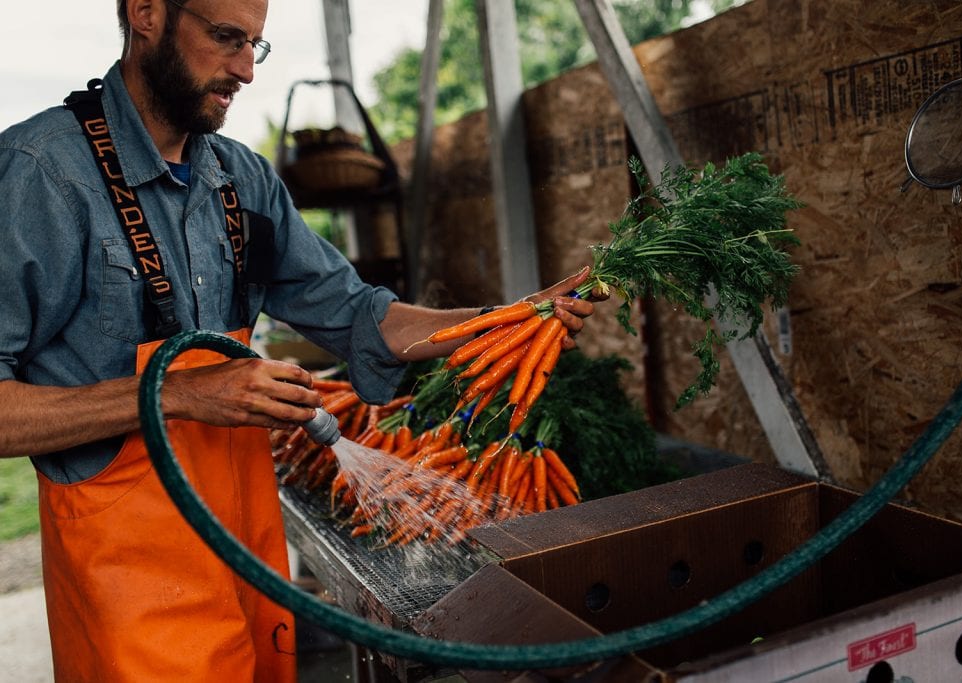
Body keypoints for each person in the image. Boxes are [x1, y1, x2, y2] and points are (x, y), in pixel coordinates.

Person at [0, 0, 601, 680]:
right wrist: (176, 394)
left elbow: (359, 314)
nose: (246, 71)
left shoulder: (242, 180)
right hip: (129, 586)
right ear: (145, 13)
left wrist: (510, 318)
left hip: (249, 558)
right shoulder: (42, 174)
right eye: (226, 38)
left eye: (257, 44)